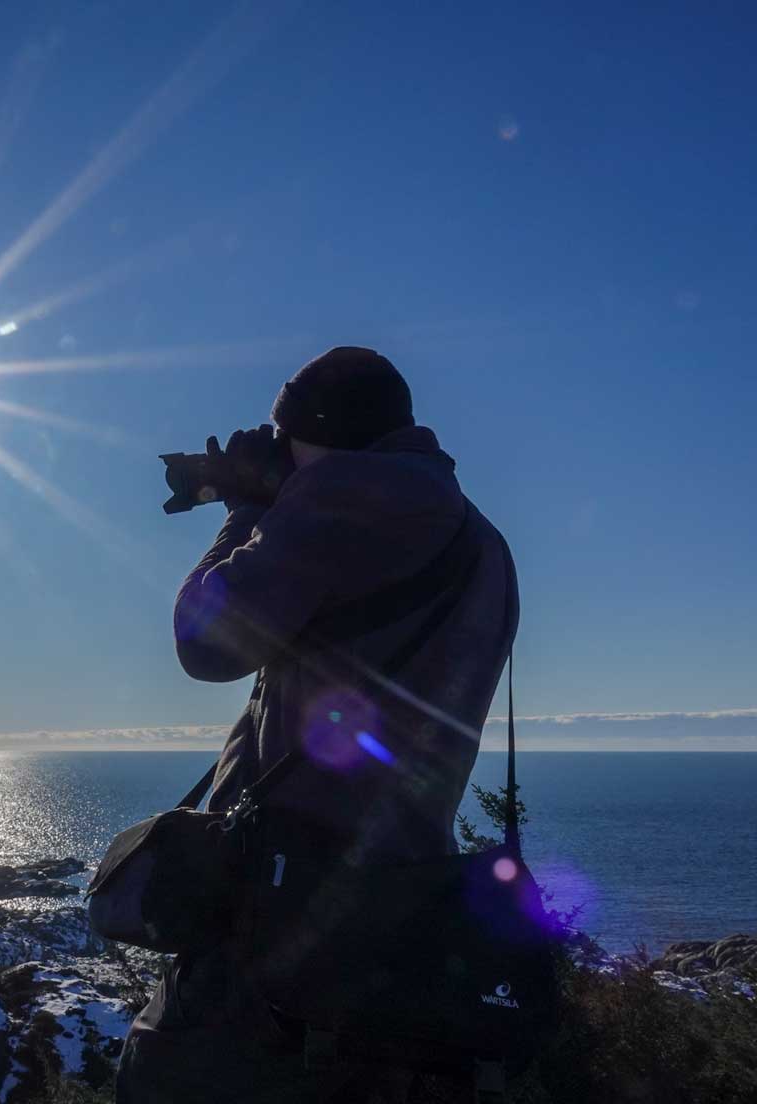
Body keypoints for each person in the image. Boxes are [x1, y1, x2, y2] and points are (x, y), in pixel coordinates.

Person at [116, 347, 520, 1103]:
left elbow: (205, 645)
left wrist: (250, 507)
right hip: (406, 892)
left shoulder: (342, 495)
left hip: (283, 903)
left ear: (319, 434)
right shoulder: (481, 541)